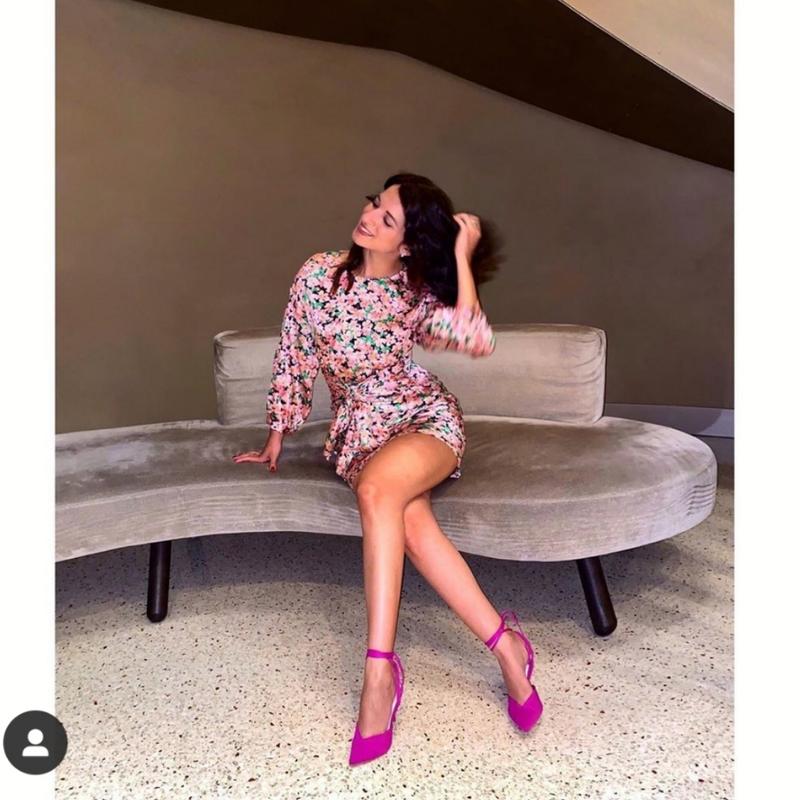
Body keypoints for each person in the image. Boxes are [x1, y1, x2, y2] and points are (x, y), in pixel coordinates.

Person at [233, 172, 542, 765]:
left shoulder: (413, 291)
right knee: (412, 523)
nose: (370, 216)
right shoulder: (316, 274)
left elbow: (475, 339)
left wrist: (460, 253)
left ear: (406, 245)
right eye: (375, 203)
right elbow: (294, 353)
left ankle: (378, 673)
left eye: (388, 218)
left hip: (423, 418)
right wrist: (277, 433)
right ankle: (506, 646)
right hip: (359, 431)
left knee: (378, 492)